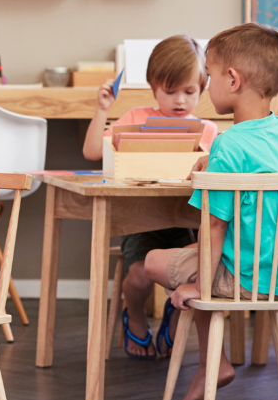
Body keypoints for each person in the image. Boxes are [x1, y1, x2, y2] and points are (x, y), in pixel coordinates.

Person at [144, 23, 278, 400]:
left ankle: (212, 362)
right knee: (194, 250)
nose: (206, 83)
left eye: (210, 73)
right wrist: (213, 164)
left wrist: (200, 286)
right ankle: (210, 358)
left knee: (153, 260)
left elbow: (215, 226)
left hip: (242, 279)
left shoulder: (228, 144)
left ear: (232, 79)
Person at [82, 35, 218, 359]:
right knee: (139, 274)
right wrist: (103, 110)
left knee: (196, 269)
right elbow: (90, 151)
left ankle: (174, 310)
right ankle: (136, 313)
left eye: (190, 91)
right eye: (169, 91)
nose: (180, 100)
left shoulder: (208, 130)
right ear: (154, 87)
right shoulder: (135, 117)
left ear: (202, 88)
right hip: (139, 219)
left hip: (186, 222)